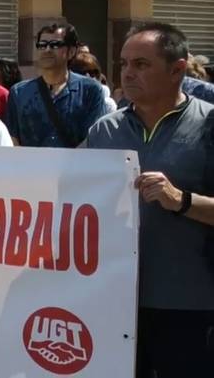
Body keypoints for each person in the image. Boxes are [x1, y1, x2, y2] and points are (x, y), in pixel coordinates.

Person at [85, 23, 214, 378]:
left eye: (141, 64)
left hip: (192, 306)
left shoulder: (209, 125)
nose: (127, 73)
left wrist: (182, 200)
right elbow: (65, 193)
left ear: (178, 70)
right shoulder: (104, 130)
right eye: (124, 63)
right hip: (117, 304)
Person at [5, 23, 109, 147]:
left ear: (71, 51)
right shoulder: (19, 92)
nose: (47, 50)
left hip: (77, 164)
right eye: (42, 45)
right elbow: (13, 139)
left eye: (55, 44)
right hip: (31, 165)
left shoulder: (90, 90)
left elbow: (94, 137)